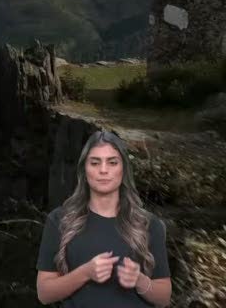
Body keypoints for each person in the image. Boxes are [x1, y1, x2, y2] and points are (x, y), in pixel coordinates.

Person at [36, 129, 172, 307]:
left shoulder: (148, 224)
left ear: (123, 169)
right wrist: (85, 273)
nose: (103, 170)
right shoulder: (60, 220)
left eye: (112, 162)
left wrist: (139, 280)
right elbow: (44, 294)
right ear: (84, 170)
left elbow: (164, 298)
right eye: (95, 163)